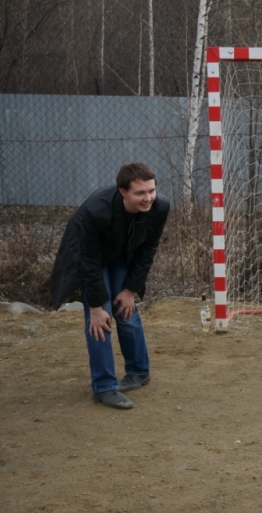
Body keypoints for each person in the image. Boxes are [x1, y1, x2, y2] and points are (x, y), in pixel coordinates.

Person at [50, 162, 170, 410]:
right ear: (122, 191)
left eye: (151, 190)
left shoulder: (160, 207)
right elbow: (89, 262)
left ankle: (139, 371)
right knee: (101, 317)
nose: (148, 198)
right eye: (140, 193)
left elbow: (148, 250)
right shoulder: (98, 210)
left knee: (126, 310)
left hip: (121, 255)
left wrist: (130, 290)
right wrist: (95, 306)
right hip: (89, 257)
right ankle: (104, 386)